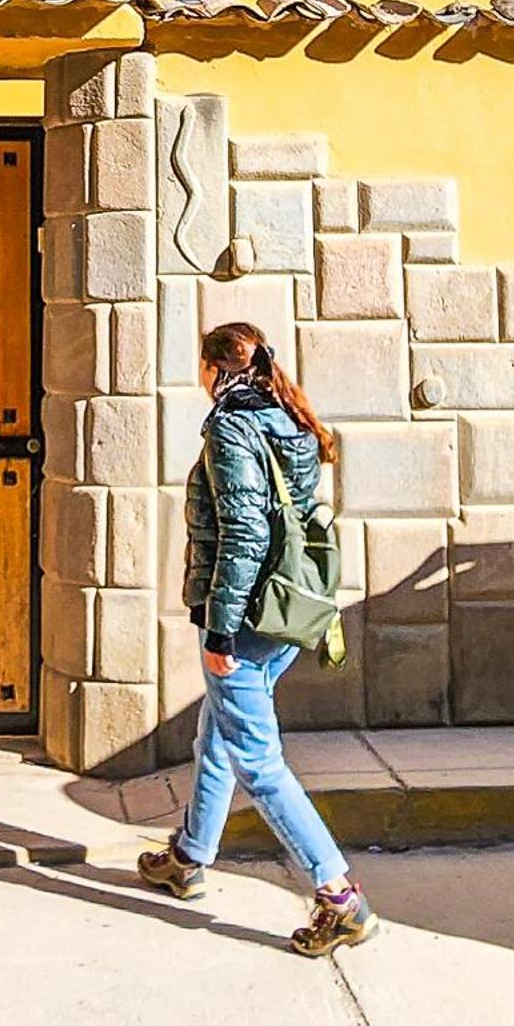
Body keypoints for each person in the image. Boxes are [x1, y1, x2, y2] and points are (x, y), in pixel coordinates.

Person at [136, 320, 377, 957]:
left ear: (216, 368)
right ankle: (188, 858)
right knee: (216, 736)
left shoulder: (231, 425)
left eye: (201, 365)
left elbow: (244, 535)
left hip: (244, 619)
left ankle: (341, 899)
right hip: (285, 614)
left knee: (258, 760)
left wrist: (219, 627)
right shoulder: (288, 417)